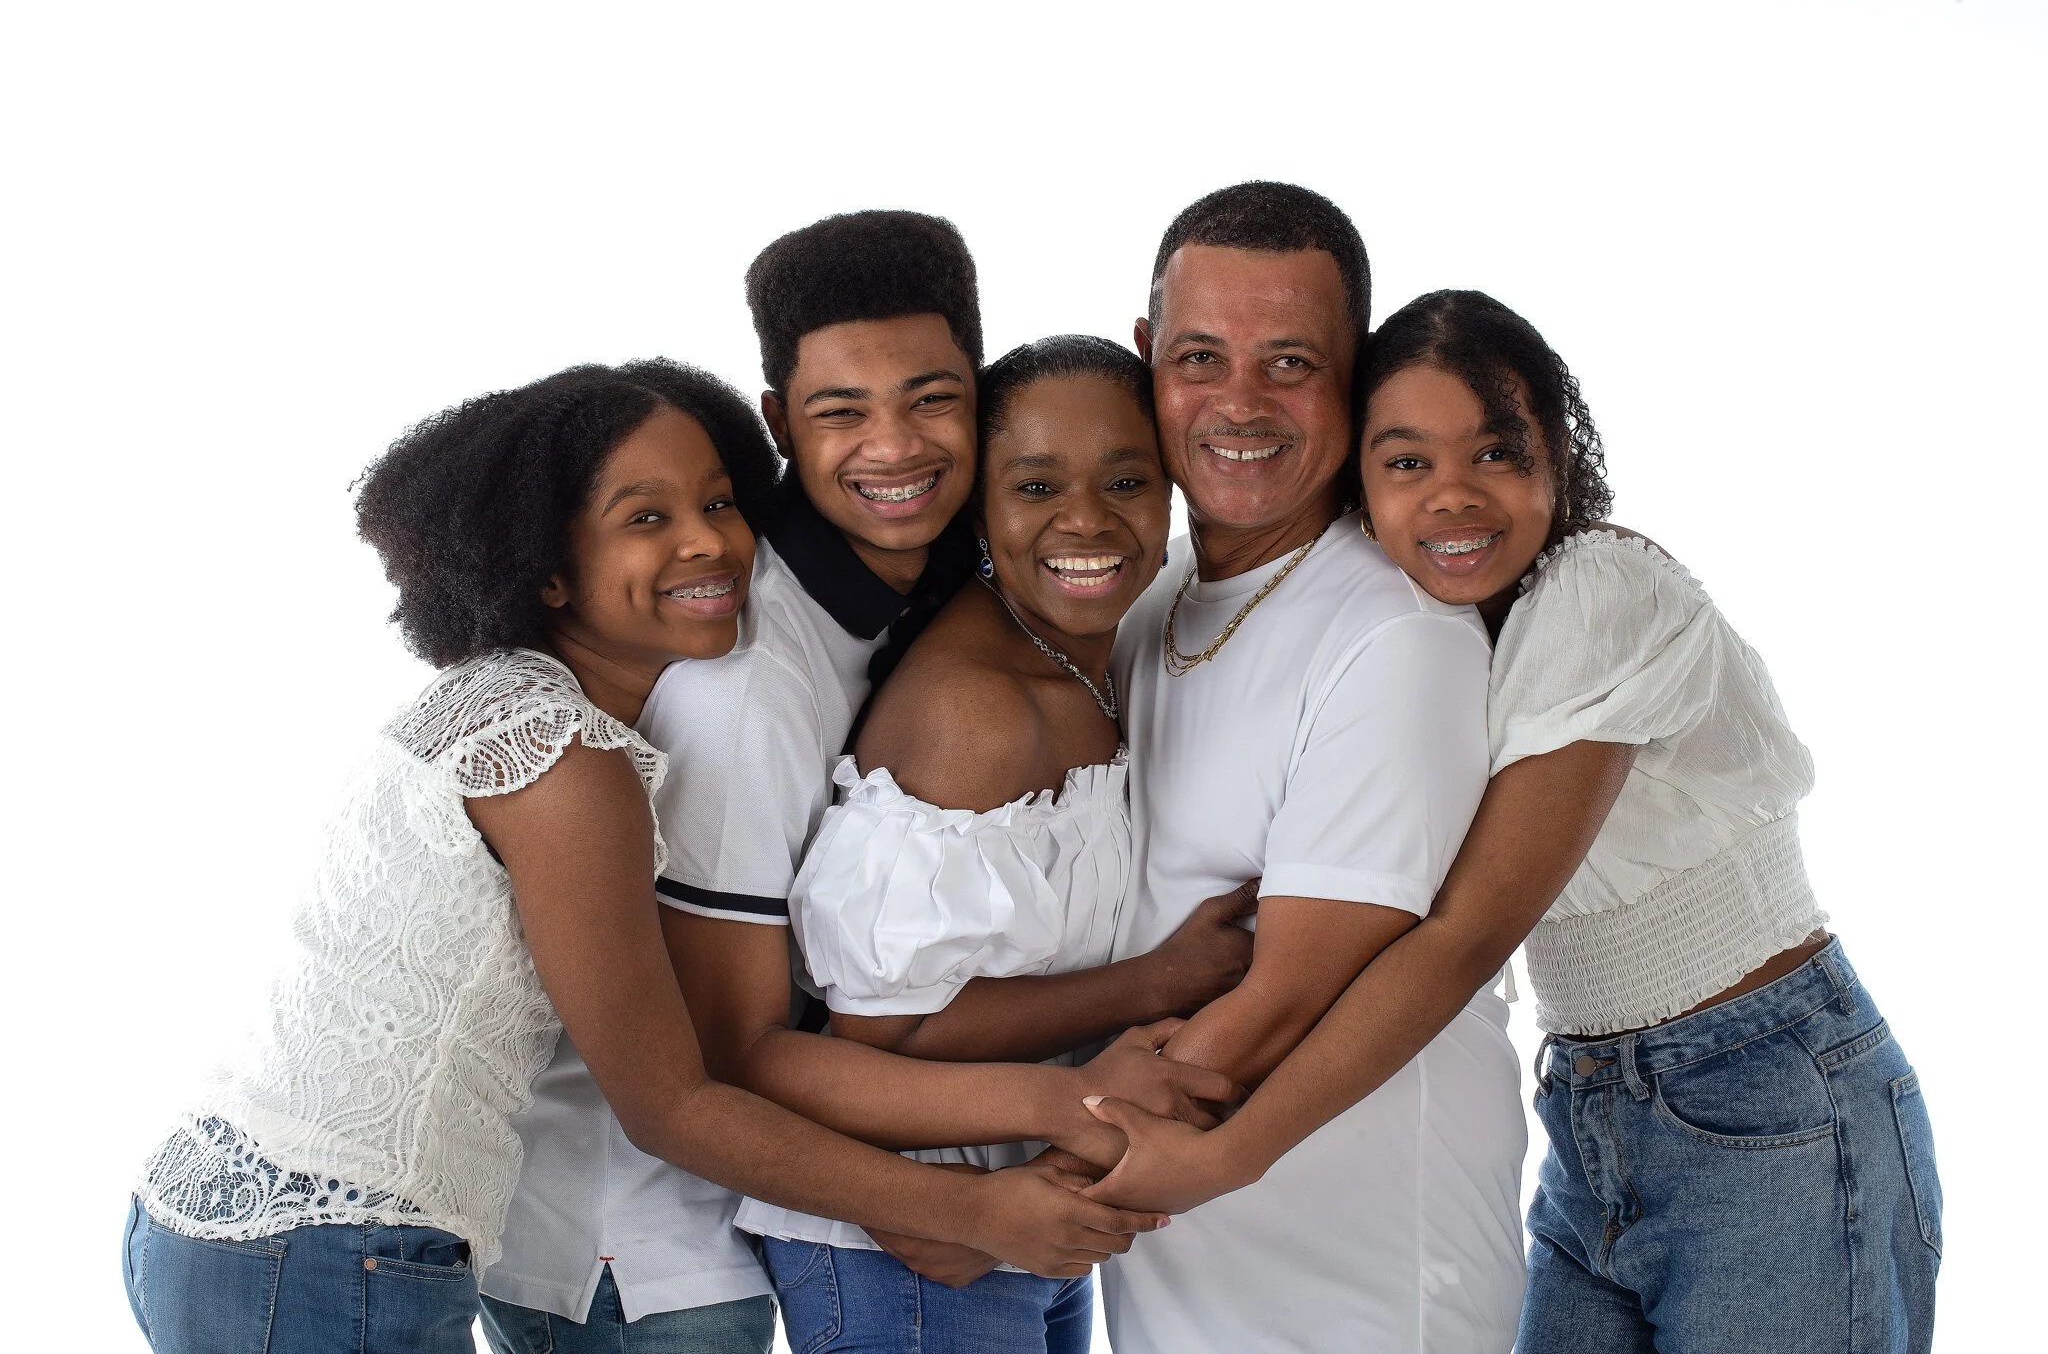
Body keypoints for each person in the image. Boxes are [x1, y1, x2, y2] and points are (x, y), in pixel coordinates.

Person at [122, 359, 1177, 1354]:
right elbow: (670, 1101)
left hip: (234, 1209)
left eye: (719, 504)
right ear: (543, 569)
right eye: (645, 519)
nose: (711, 547)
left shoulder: (505, 702)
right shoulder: (563, 763)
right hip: (327, 1240)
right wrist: (960, 1207)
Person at [1089, 289, 1943, 1353]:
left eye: (1496, 454)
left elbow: (1462, 934)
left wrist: (1228, 1154)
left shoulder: (1597, 590)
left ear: (1559, 460)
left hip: (1763, 1092)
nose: (1453, 498)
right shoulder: (1425, 618)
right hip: (1592, 1110)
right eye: (1406, 464)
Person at [481, 217, 1245, 1353]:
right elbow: (730, 1056)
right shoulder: (744, 677)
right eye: (842, 411)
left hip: (852, 1202)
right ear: (780, 423)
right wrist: (959, 1191)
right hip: (646, 1250)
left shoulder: (957, 576)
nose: (892, 447)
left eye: (930, 401)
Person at [1091, 183, 1528, 1352]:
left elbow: (1280, 1003)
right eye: (1199, 356)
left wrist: (991, 1195)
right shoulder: (1143, 603)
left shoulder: (1396, 636)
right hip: (1170, 1274)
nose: (1238, 402)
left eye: (1288, 361)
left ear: (1355, 373)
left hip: (1362, 1295)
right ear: (1146, 359)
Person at [748, 335, 1234, 1353]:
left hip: (1019, 1212)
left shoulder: (1101, 654)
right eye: (1035, 484)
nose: (1086, 519)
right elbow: (881, 1035)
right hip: (913, 1237)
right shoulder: (981, 711)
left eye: (1127, 480)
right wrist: (1155, 981)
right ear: (980, 507)